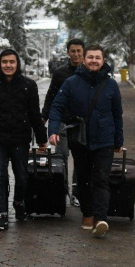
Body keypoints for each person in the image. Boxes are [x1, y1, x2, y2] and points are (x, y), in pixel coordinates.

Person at [48, 44, 123, 238]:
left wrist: (118, 140)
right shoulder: (71, 82)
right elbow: (56, 107)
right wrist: (53, 129)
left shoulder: (111, 85)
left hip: (104, 140)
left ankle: (100, 219)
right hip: (80, 140)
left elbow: (117, 114)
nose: (94, 61)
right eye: (90, 57)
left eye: (98, 58)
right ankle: (87, 213)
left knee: (101, 179)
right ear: (84, 59)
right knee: (83, 179)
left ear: (103, 60)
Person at [0, 49, 48, 232]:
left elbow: (34, 114)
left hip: (20, 139)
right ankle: (1, 216)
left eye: (12, 62)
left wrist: (42, 139)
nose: (8, 65)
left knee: (22, 177)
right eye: (4, 62)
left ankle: (19, 202)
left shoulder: (29, 85)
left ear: (17, 64)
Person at [42, 38, 85, 207]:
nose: (76, 54)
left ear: (83, 52)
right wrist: (44, 116)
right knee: (61, 156)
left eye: (79, 51)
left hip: (81, 123)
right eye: (73, 51)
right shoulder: (60, 73)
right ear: (68, 53)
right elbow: (51, 96)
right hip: (62, 121)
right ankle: (62, 188)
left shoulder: (89, 71)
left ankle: (76, 192)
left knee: (80, 158)